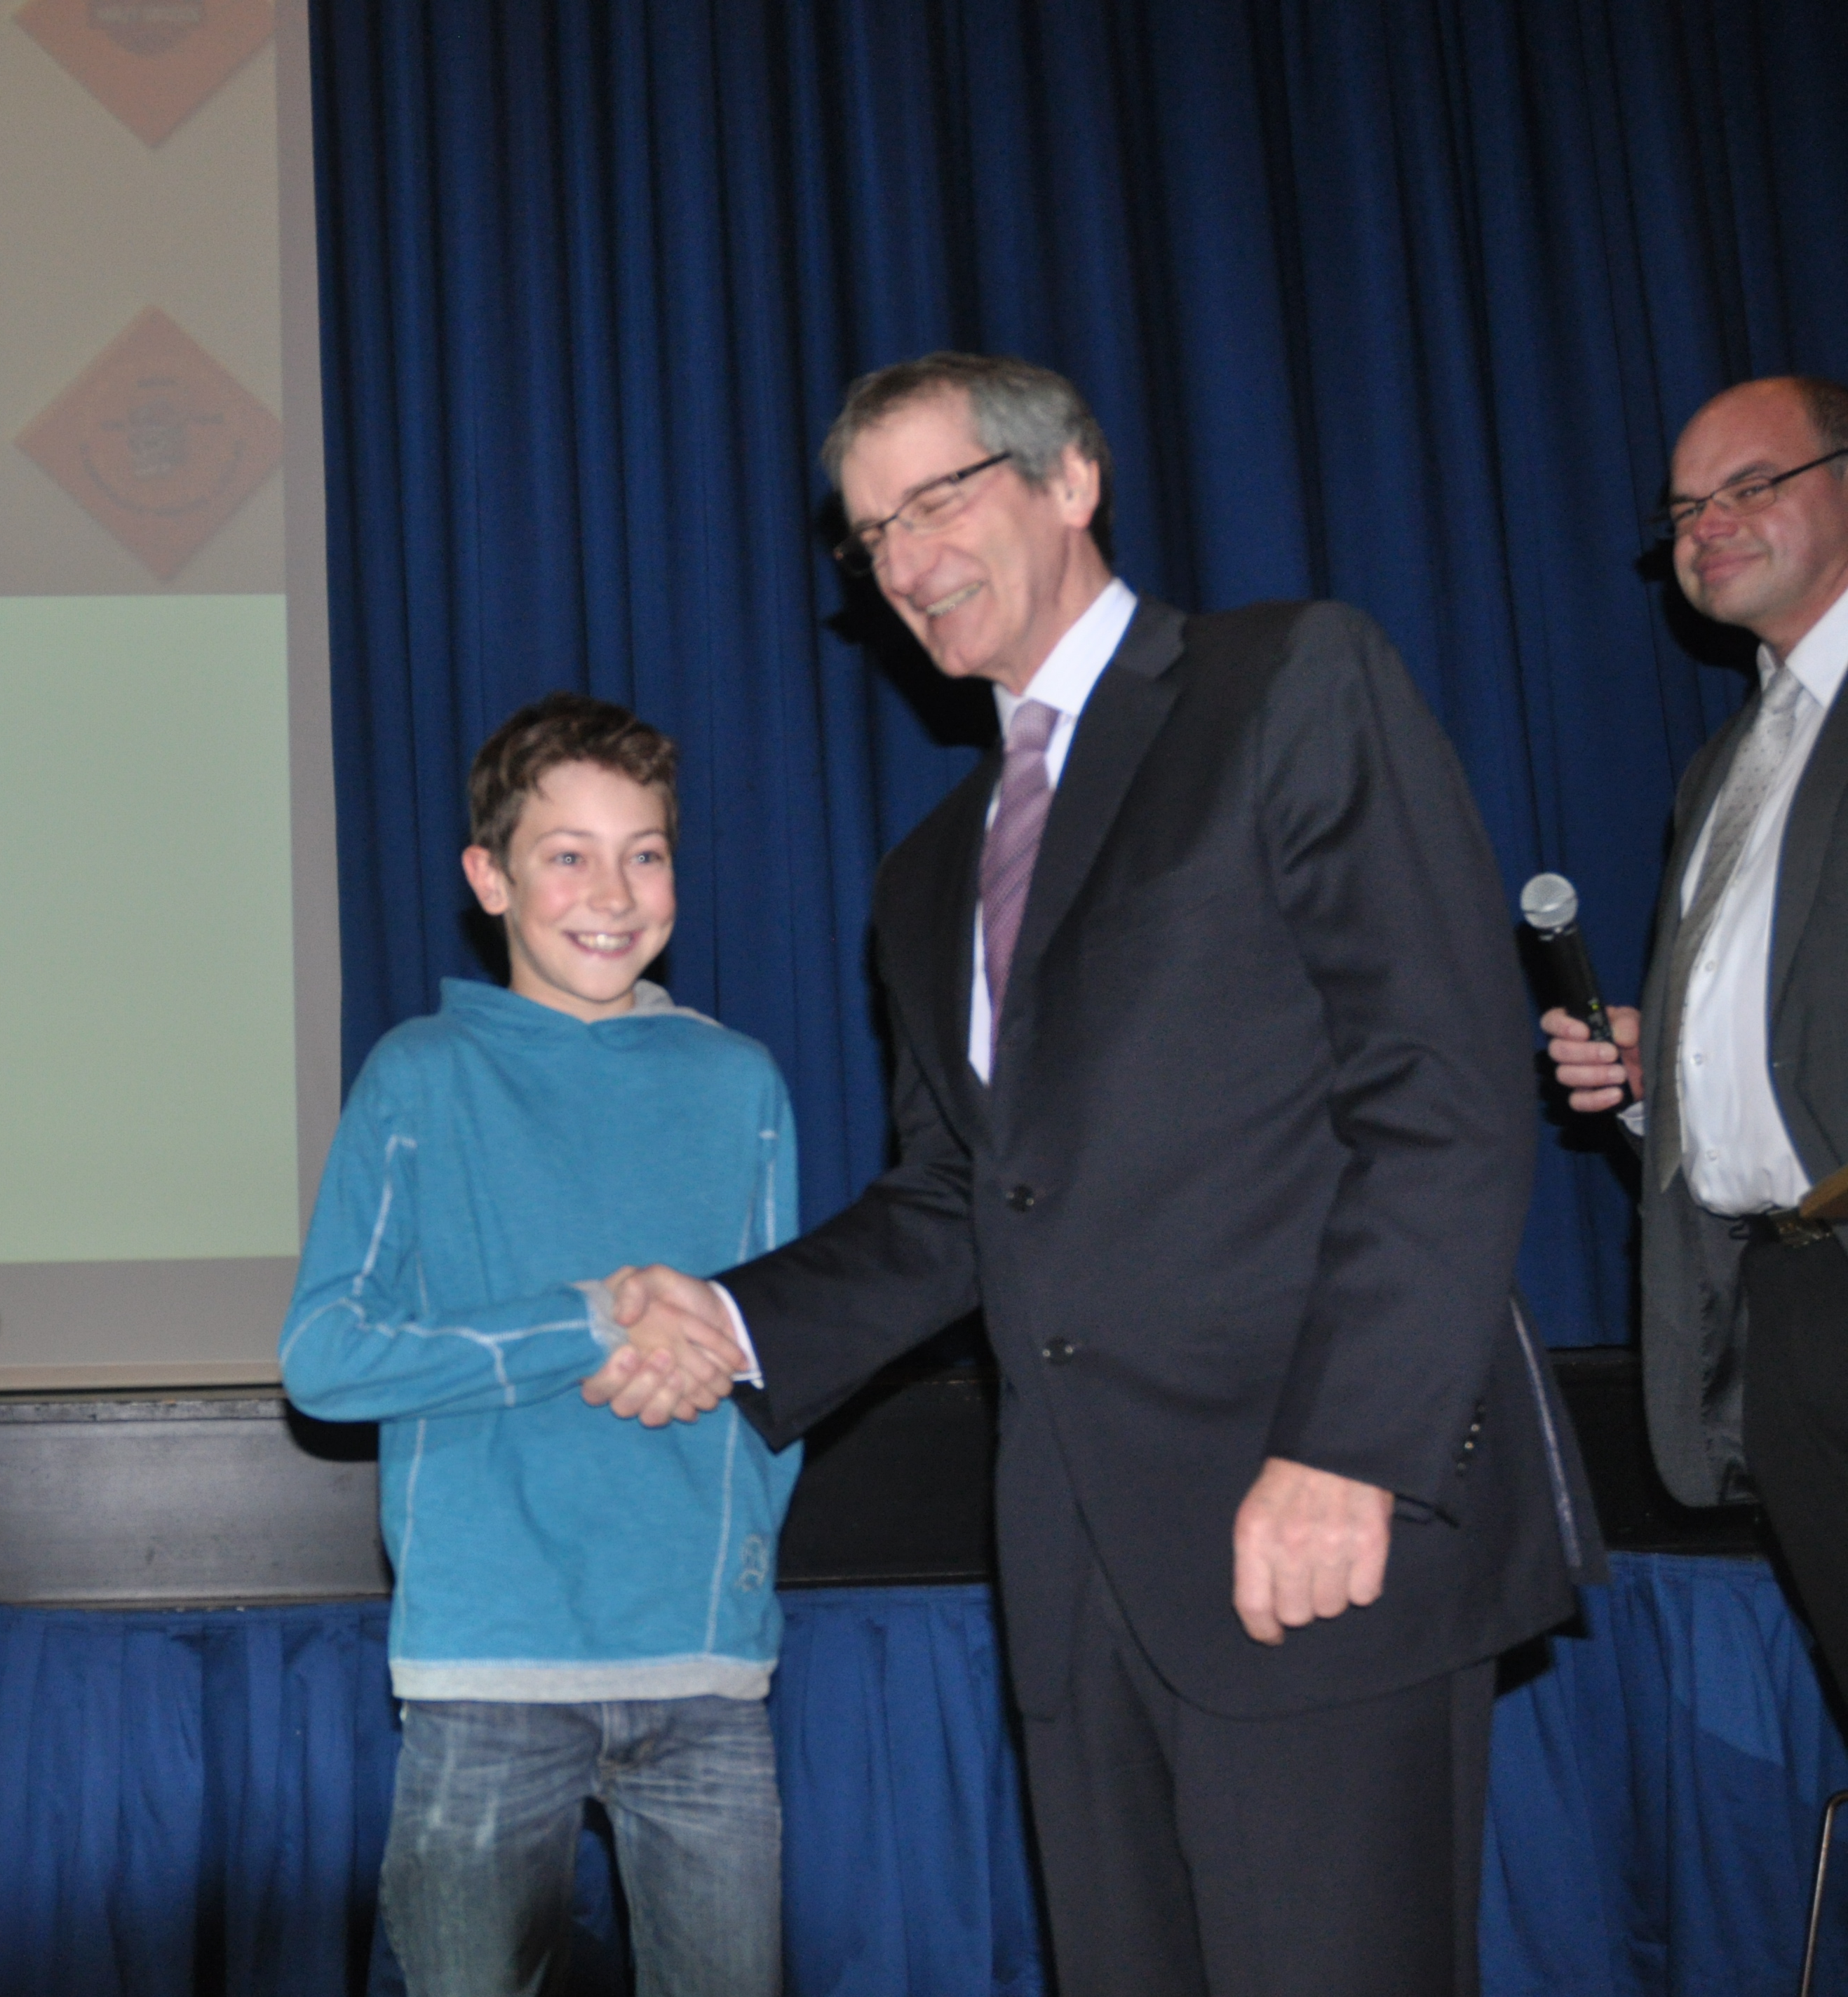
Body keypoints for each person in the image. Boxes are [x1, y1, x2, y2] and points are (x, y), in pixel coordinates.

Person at [598, 353, 1600, 1997]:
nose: (903, 558)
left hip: (1313, 1520)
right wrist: (734, 1315)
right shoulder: (926, 871)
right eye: (869, 534)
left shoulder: (1283, 680)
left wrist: (1348, 1450)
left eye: (936, 499)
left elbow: (1442, 1087)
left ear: (1070, 478)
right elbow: (961, 1198)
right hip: (1076, 1573)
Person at [281, 694, 802, 1997]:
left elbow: (777, 1359)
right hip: (487, 1671)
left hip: (705, 1670)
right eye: (567, 854)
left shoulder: (740, 1082)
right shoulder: (419, 1074)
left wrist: (713, 1371)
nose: (612, 894)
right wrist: (584, 1317)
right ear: (490, 879)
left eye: (644, 853)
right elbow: (326, 1358)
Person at [1543, 375, 1848, 1697]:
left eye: (1749, 486)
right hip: (1784, 1301)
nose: (1704, 526)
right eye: (1681, 510)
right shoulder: (1724, 768)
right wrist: (1654, 1076)